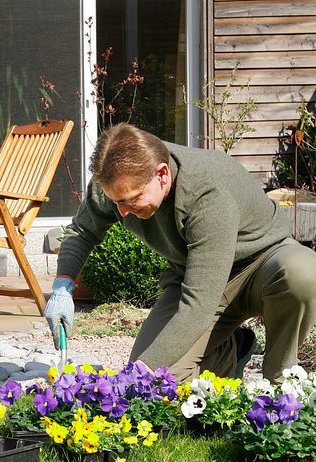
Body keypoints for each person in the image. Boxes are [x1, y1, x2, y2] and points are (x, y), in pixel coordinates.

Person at [45, 123, 316, 383]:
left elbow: (199, 303)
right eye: (116, 202)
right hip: (195, 273)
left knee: (302, 273)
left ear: (162, 174)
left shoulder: (206, 193)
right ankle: (232, 351)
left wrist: (141, 371)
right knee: (162, 383)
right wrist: (63, 285)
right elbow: (82, 231)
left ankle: (279, 385)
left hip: (263, 264)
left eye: (131, 200)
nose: (123, 211)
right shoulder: (116, 177)